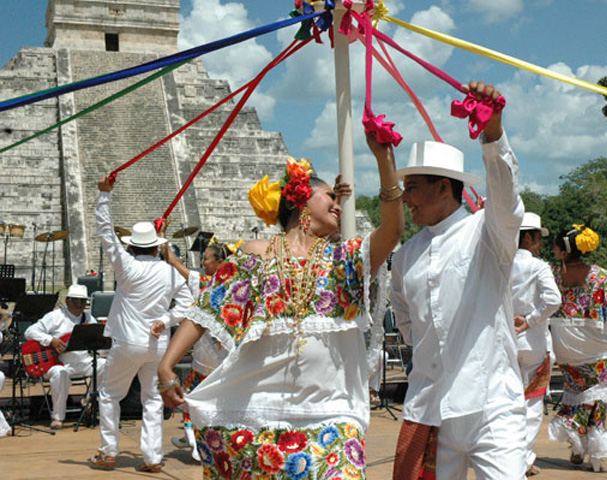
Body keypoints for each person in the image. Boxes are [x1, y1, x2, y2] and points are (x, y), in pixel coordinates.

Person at [157, 144, 403, 479]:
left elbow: (392, 231)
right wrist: (166, 364)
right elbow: (207, 310)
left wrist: (384, 162)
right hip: (260, 414)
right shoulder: (254, 255)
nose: (337, 204)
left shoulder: (345, 260)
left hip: (333, 415)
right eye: (329, 196)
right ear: (300, 200)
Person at [391, 80, 527, 480]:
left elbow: (506, 195)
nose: (407, 199)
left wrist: (493, 133)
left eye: (412, 188)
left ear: (444, 187)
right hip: (430, 408)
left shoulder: (488, 233)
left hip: (492, 404)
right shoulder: (405, 256)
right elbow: (406, 324)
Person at [89, 176, 194, 473]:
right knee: (152, 400)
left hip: (127, 341)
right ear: (156, 246)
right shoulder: (169, 271)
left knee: (110, 395)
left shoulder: (127, 266)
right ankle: (151, 457)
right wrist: (166, 319)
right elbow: (187, 302)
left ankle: (108, 451)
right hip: (158, 343)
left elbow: (106, 234)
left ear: (133, 247)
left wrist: (104, 195)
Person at [548, 224, 607, 473]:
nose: (552, 250)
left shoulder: (552, 275)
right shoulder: (599, 275)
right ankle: (579, 429)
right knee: (601, 388)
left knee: (583, 393)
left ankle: (579, 446)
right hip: (596, 346)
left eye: (555, 246)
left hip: (567, 348)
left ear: (563, 251)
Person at [157, 220, 230, 462]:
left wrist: (162, 235)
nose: (202, 263)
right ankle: (198, 438)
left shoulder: (207, 284)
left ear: (220, 262)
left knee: (193, 397)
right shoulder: (235, 285)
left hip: (208, 357)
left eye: (207, 259)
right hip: (222, 358)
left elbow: (174, 262)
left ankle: (194, 436)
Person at [510, 212, 562, 476]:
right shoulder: (539, 266)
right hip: (532, 343)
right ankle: (521, 460)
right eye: (538, 237)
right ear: (529, 237)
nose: (540, 243)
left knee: (508, 403)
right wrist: (530, 320)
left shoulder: (501, 265)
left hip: (505, 343)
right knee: (530, 404)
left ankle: (509, 457)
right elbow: (554, 300)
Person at [24, 284, 105, 430]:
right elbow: (30, 331)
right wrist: (51, 340)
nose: (78, 304)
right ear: (67, 300)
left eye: (82, 301)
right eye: (75, 300)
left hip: (83, 361)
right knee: (59, 374)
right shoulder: (55, 316)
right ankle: (57, 416)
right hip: (59, 363)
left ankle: (88, 402)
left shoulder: (89, 318)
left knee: (105, 365)